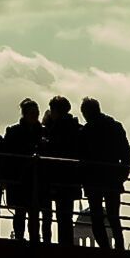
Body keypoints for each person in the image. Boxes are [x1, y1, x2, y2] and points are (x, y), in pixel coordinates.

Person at [80, 97, 130, 250]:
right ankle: (119, 250)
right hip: (112, 180)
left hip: (93, 181)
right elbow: (127, 155)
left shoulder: (85, 132)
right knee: (114, 218)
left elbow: (81, 158)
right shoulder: (115, 127)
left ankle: (105, 250)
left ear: (85, 113)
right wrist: (121, 176)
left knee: (97, 218)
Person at [40, 96, 85, 247]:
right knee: (67, 215)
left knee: (58, 215)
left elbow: (54, 150)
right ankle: (66, 245)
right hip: (72, 177)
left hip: (58, 177)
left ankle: (59, 245)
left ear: (55, 110)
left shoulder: (57, 128)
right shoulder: (75, 127)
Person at [4, 101, 45, 240]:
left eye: (36, 113)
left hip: (26, 177)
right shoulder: (41, 132)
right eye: (33, 113)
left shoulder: (14, 131)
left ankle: (25, 239)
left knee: (28, 213)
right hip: (24, 177)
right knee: (25, 212)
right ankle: (26, 238)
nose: (35, 116)